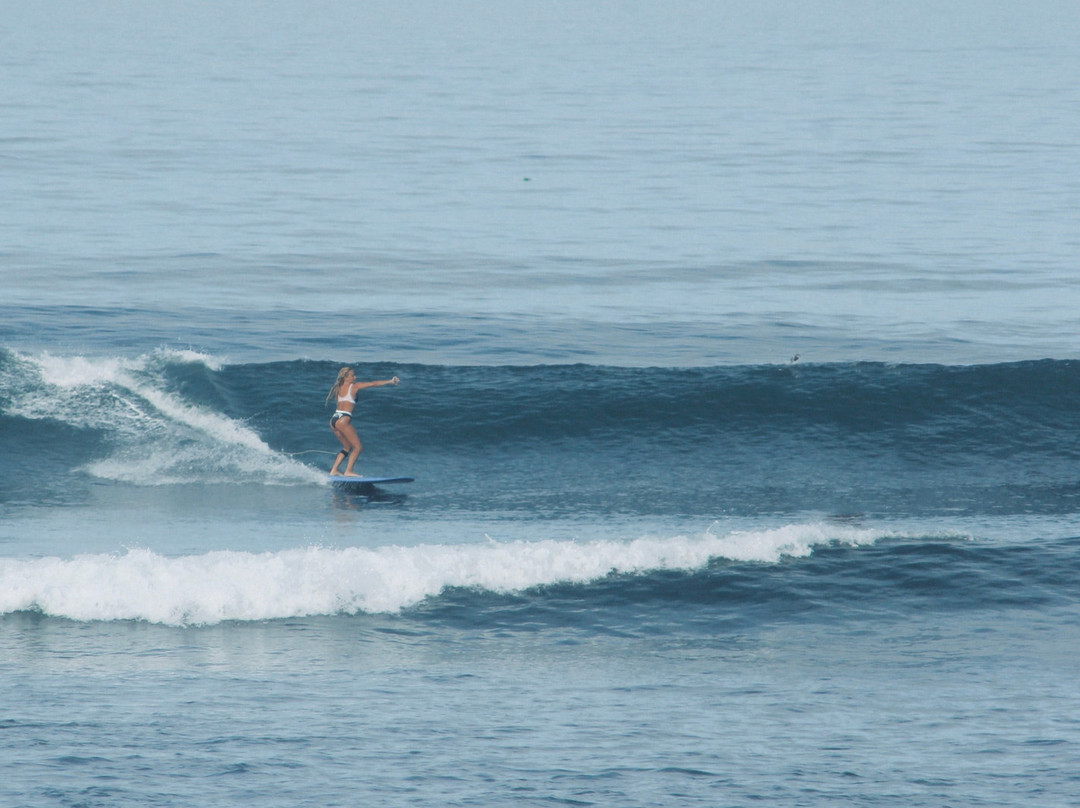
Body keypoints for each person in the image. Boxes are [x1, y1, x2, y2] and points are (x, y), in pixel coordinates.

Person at [326, 367, 400, 476]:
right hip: (343, 419)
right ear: (346, 377)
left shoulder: (339, 387)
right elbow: (373, 384)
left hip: (334, 419)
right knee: (358, 447)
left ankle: (334, 470)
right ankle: (348, 471)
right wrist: (390, 381)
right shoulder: (354, 386)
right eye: (352, 375)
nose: (355, 377)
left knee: (347, 447)